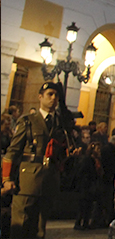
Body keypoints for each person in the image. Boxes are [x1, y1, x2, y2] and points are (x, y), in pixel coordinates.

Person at [2, 82, 70, 238]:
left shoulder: (60, 124)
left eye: (56, 95)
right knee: (20, 227)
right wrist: (7, 179)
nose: (53, 98)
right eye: (49, 94)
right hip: (27, 182)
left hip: (48, 181)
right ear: (40, 97)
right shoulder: (28, 121)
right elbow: (12, 152)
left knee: (39, 229)